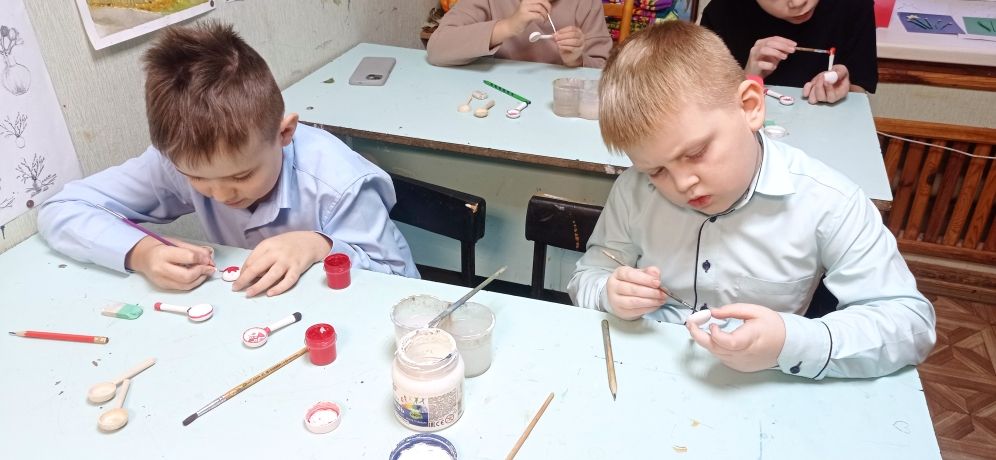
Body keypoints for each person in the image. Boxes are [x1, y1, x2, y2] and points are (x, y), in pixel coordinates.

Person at [567, 21, 935, 379]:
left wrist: (789, 342)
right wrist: (609, 293)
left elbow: (911, 324)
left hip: (761, 386)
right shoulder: (634, 189)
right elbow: (588, 275)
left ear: (750, 107)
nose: (682, 183)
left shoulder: (828, 201)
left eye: (695, 153)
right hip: (644, 372)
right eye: (657, 171)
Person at [38, 22, 419, 298]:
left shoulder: (337, 182)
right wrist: (142, 253)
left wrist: (319, 246)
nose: (220, 195)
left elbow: (401, 285)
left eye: (241, 175)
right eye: (197, 179)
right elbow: (63, 209)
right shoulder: (178, 163)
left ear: (284, 133)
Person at [700, 0, 877, 104]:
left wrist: (845, 89)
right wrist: (748, 78)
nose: (798, 3)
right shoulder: (722, 12)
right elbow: (707, 105)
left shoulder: (853, 5)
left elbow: (859, 92)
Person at [427, 0, 612, 68]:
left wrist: (577, 61)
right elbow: (437, 49)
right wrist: (508, 26)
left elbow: (607, 72)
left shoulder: (586, 3)